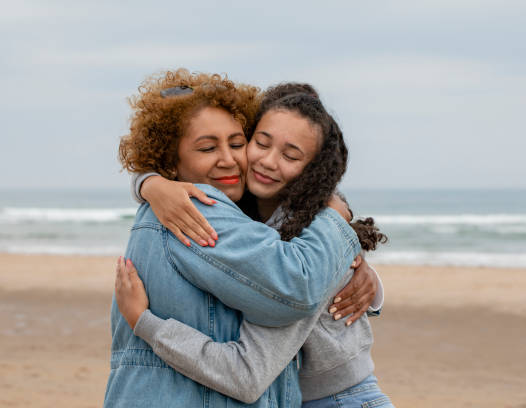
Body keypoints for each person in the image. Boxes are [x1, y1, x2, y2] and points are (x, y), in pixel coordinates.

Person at [114, 81, 394, 407]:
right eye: (260, 143)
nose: (268, 162)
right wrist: (151, 182)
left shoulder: (307, 244)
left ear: (313, 170)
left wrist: (145, 323)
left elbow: (247, 373)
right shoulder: (245, 215)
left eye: (291, 155)